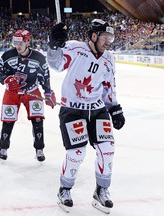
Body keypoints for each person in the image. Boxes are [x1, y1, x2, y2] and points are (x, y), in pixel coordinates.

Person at [47, 19, 125, 213]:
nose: (108, 42)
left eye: (111, 38)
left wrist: (114, 108)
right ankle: (64, 190)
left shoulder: (109, 58)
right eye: (105, 37)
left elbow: (109, 85)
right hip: (72, 109)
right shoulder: (75, 49)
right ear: (93, 36)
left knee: (107, 149)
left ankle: (102, 191)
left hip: (97, 109)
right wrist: (54, 45)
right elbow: (56, 64)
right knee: (77, 152)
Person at [0, 29, 56, 162]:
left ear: (28, 41)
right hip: (12, 92)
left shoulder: (39, 57)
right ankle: (3, 147)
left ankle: (39, 149)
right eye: (15, 43)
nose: (18, 46)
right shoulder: (7, 55)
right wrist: (6, 79)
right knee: (8, 120)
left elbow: (45, 75)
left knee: (38, 120)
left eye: (21, 42)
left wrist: (48, 91)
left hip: (32, 91)